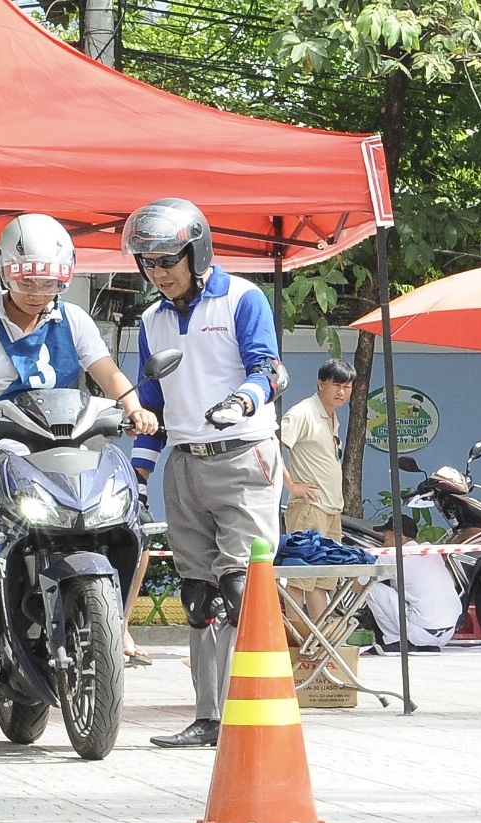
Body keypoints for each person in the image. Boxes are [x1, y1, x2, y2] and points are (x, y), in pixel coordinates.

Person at [0, 213, 157, 753]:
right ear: (3, 271)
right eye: (27, 280)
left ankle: (113, 628)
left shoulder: (74, 320)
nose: (38, 291)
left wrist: (133, 405)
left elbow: (107, 372)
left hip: (66, 456)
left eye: (49, 281)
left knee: (132, 530)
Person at [123, 197, 286, 749]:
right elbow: (152, 404)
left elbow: (269, 369)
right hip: (185, 462)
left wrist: (242, 401)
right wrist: (138, 475)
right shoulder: (151, 320)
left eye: (168, 260)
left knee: (243, 586)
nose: (158, 272)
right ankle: (209, 718)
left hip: (243, 455)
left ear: (197, 252)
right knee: (198, 595)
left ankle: (257, 714)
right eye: (148, 263)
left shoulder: (242, 298)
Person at [279, 358, 356, 626]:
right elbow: (270, 446)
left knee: (322, 581)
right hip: (309, 508)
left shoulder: (331, 416)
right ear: (321, 383)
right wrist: (292, 485)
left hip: (331, 510)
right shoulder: (304, 412)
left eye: (347, 387)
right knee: (300, 579)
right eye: (336, 385)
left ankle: (318, 639)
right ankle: (296, 640)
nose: (341, 392)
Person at [364, 515, 463, 653]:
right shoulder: (430, 550)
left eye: (386, 539)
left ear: (400, 537)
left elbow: (358, 586)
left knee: (371, 587)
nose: (383, 545)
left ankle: (396, 641)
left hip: (421, 633)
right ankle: (415, 642)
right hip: (447, 634)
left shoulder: (393, 556)